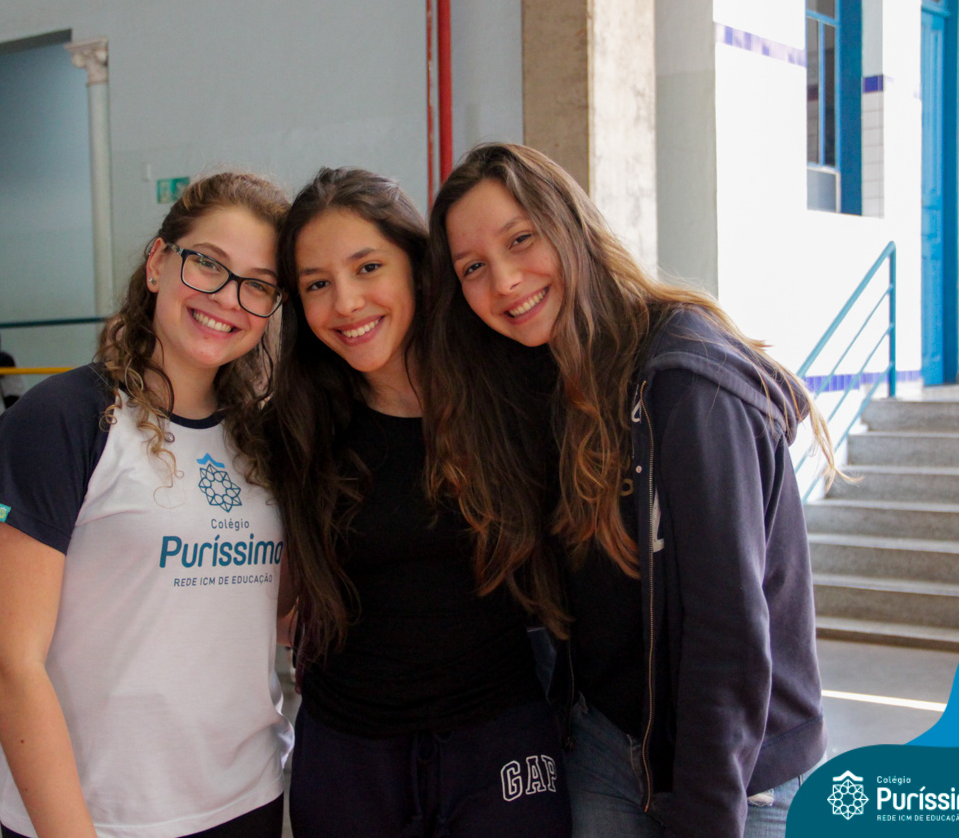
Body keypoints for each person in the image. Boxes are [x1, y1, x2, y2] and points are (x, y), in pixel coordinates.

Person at [423, 144, 834, 838]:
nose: (505, 281)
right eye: (472, 268)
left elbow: (729, 633)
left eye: (521, 239)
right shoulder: (537, 384)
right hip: (605, 746)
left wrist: (707, 816)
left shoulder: (683, 379)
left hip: (736, 774)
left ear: (572, 225)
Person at [0, 172, 293, 838]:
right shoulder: (61, 420)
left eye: (258, 284)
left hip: (249, 798)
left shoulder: (265, 437)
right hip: (103, 815)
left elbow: (272, 615)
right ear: (157, 263)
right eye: (208, 263)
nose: (227, 297)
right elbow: (7, 661)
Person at [256, 168, 571, 838]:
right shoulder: (297, 426)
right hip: (351, 759)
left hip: (502, 744)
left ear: (419, 269)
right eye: (316, 284)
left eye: (368, 267)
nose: (346, 303)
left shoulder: (511, 390)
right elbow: (272, 599)